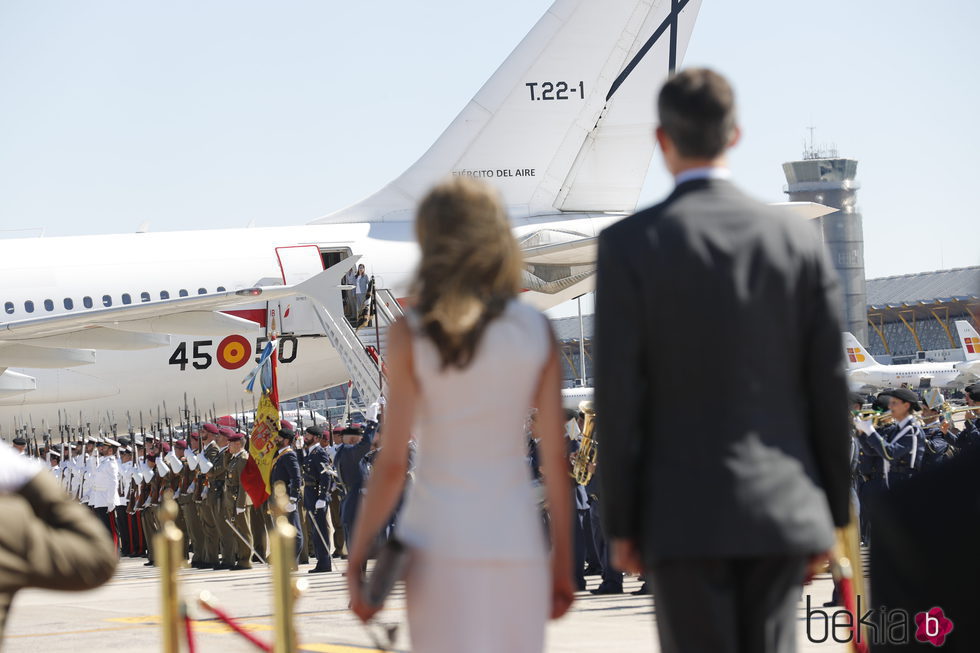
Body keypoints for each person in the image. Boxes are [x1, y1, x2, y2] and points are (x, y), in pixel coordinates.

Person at [595, 69, 851, 653]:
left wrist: (624, 523)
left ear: (662, 140)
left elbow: (618, 401)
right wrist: (831, 515)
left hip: (680, 516)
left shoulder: (630, 245)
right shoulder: (793, 241)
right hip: (780, 510)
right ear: (735, 136)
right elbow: (827, 390)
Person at [346, 177, 574, 653]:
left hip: (435, 536)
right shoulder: (535, 330)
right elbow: (556, 463)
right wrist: (563, 564)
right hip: (511, 533)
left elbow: (391, 466)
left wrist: (356, 562)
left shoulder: (412, 333)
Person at [0, 440, 117, 639]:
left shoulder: (108, 464)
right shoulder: (9, 522)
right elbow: (96, 559)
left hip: (104, 499)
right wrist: (28, 476)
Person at [854, 388, 923, 488]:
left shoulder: (910, 430)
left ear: (906, 406)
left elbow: (890, 454)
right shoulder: (898, 429)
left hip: (903, 481)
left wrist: (870, 431)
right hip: (886, 481)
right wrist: (861, 433)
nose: (890, 407)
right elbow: (871, 451)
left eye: (894, 404)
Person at [269, 425, 304, 563]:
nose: (276, 439)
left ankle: (292, 561)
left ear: (287, 440)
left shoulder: (289, 455)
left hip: (288, 499)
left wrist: (293, 499)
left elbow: (296, 478)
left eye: (280, 437)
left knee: (294, 531)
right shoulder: (279, 455)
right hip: (279, 499)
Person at [302, 426, 334, 573]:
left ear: (316, 437)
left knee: (320, 529)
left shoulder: (319, 452)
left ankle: (325, 562)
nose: (304, 437)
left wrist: (322, 496)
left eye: (307, 435)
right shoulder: (310, 452)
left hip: (317, 494)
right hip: (310, 494)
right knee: (315, 530)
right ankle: (321, 561)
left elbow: (326, 475)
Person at [221, 432, 253, 570]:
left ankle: (245, 560)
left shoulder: (243, 459)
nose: (228, 445)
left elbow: (243, 484)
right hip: (232, 498)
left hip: (239, 499)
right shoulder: (235, 458)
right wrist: (228, 453)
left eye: (231, 443)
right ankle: (240, 557)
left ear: (238, 444)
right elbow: (226, 468)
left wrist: (241, 504)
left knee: (243, 530)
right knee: (236, 530)